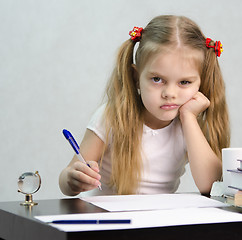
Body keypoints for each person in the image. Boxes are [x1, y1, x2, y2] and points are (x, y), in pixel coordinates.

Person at [59, 15, 230, 197]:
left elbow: (212, 186)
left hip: (157, 220)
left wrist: (188, 118)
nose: (170, 93)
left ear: (200, 85)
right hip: (106, 219)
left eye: (185, 82)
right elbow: (66, 180)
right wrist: (72, 179)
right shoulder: (111, 117)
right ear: (136, 78)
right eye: (157, 79)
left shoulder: (191, 124)